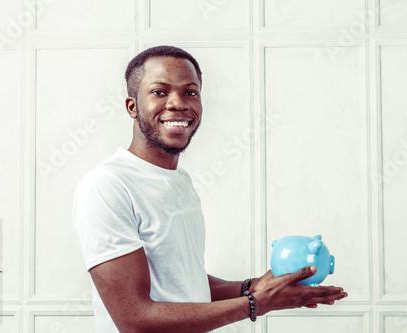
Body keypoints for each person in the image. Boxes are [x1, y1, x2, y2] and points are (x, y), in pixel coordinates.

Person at [72, 45, 348, 333]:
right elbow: (134, 319)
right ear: (132, 106)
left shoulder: (180, 181)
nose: (178, 103)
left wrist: (252, 286)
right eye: (159, 92)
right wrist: (255, 304)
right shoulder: (106, 186)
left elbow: (183, 283)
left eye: (190, 92)